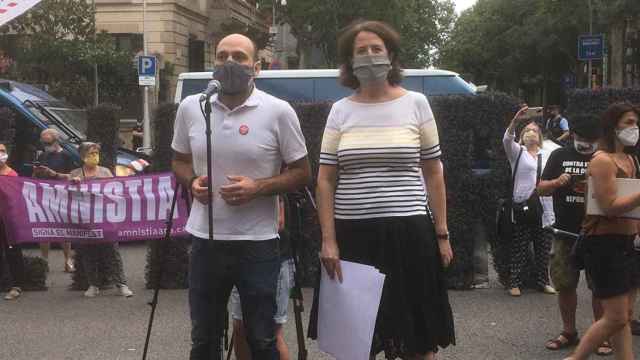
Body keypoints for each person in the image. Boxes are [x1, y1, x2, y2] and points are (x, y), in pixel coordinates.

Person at [314, 20, 455, 359]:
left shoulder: (416, 104)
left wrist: (442, 233)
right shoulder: (340, 111)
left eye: (376, 49)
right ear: (350, 61)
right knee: (355, 342)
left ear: (391, 55)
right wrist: (328, 239)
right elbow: (325, 179)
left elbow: (434, 171)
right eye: (361, 51)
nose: (369, 55)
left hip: (410, 235)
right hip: (353, 238)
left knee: (418, 339)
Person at [171, 33, 311, 360]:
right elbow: (178, 160)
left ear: (256, 67)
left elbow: (303, 172)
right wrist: (191, 181)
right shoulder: (192, 107)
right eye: (222, 56)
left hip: (258, 243)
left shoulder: (279, 111)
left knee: (262, 339)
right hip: (206, 240)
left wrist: (257, 188)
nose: (229, 63)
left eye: (239, 56)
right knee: (203, 340)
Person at [566, 103, 640, 360]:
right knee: (616, 316)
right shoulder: (602, 161)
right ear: (613, 126)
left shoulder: (630, 159)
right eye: (629, 122)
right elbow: (608, 207)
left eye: (636, 123)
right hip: (605, 245)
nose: (635, 128)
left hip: (629, 243)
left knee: (624, 317)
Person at [537, 114, 613, 355]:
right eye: (581, 137)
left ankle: (600, 336)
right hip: (565, 232)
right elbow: (540, 188)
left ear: (599, 139)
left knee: (598, 287)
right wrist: (557, 182)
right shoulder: (560, 155)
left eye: (591, 139)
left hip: (597, 233)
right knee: (565, 284)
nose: (585, 143)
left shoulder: (605, 159)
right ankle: (569, 331)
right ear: (573, 136)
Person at [65, 142, 133, 298]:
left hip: (105, 219)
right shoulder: (75, 173)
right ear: (82, 156)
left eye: (96, 153)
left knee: (112, 253)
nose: (94, 156)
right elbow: (68, 195)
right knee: (89, 253)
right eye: (91, 153)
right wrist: (73, 184)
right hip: (86, 220)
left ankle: (121, 284)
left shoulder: (105, 172)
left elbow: (115, 192)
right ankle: (93, 284)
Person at [503, 106, 557, 297]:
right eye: (527, 131)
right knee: (520, 246)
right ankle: (514, 283)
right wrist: (516, 121)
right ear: (522, 136)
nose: (531, 134)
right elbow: (507, 139)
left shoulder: (548, 153)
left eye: (534, 131)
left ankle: (543, 281)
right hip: (523, 205)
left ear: (540, 135)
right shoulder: (517, 153)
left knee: (543, 247)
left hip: (545, 207)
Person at [231, 197, 293, 360]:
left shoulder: (276, 179)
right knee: (240, 327)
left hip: (272, 260)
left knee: (270, 333)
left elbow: (279, 222)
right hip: (241, 257)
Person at [32, 128, 75, 272]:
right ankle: (44, 261)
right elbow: (34, 177)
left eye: (47, 142)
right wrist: (35, 173)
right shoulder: (42, 156)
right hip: (44, 195)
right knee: (44, 228)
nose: (45, 145)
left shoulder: (66, 156)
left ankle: (68, 260)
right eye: (43, 142)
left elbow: (72, 176)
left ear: (56, 141)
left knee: (63, 229)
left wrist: (54, 174)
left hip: (62, 195)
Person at [0, 142, 25, 300]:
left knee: (13, 252)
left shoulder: (12, 175)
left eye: (2, 151)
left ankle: (16, 285)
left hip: (8, 220)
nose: (0, 154)